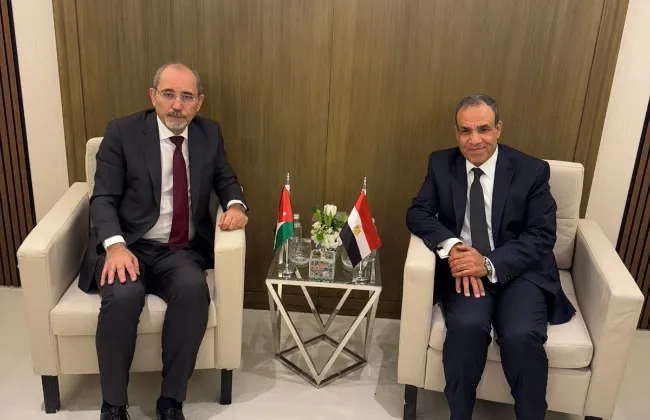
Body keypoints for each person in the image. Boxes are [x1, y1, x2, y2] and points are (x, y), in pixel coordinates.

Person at [79, 61, 249, 420]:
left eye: (187, 97)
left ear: (199, 102)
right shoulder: (122, 132)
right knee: (123, 296)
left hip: (180, 251)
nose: (177, 105)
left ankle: (171, 402)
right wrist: (115, 246)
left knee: (193, 291)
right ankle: (113, 405)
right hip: (129, 245)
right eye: (169, 94)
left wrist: (235, 205)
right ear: (153, 96)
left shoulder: (209, 134)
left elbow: (225, 178)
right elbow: (103, 197)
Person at [406, 94, 575, 420]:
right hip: (465, 270)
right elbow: (418, 213)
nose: (474, 140)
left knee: (520, 336)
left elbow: (542, 235)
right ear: (456, 133)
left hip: (519, 271)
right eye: (465, 131)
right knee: (466, 328)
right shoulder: (441, 164)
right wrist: (454, 247)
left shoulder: (531, 171)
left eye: (483, 129)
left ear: (498, 129)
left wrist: (488, 263)